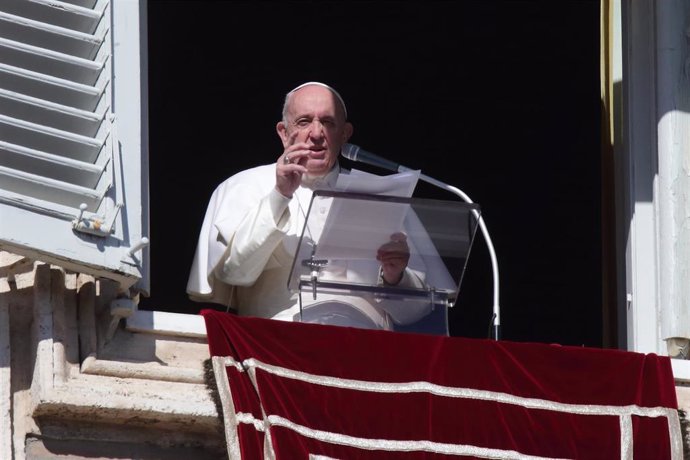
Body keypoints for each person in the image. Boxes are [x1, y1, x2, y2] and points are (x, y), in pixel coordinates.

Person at [186, 82, 431, 330]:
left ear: (345, 134)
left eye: (328, 122)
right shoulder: (243, 186)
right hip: (275, 342)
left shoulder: (382, 195)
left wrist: (395, 276)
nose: (316, 133)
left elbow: (417, 311)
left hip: (365, 348)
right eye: (304, 122)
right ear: (283, 132)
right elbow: (234, 274)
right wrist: (280, 195)